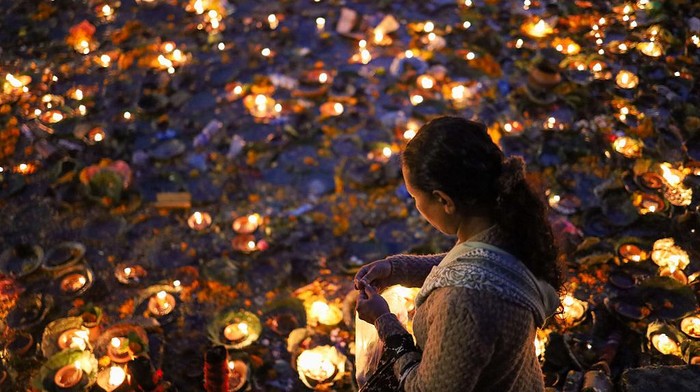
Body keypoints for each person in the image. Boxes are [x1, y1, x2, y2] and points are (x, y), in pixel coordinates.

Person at [354, 116, 563, 391]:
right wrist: (397, 269)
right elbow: (474, 265)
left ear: (444, 200)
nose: (416, 206)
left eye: (415, 198)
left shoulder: (463, 305)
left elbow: (425, 388)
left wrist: (385, 322)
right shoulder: (509, 225)